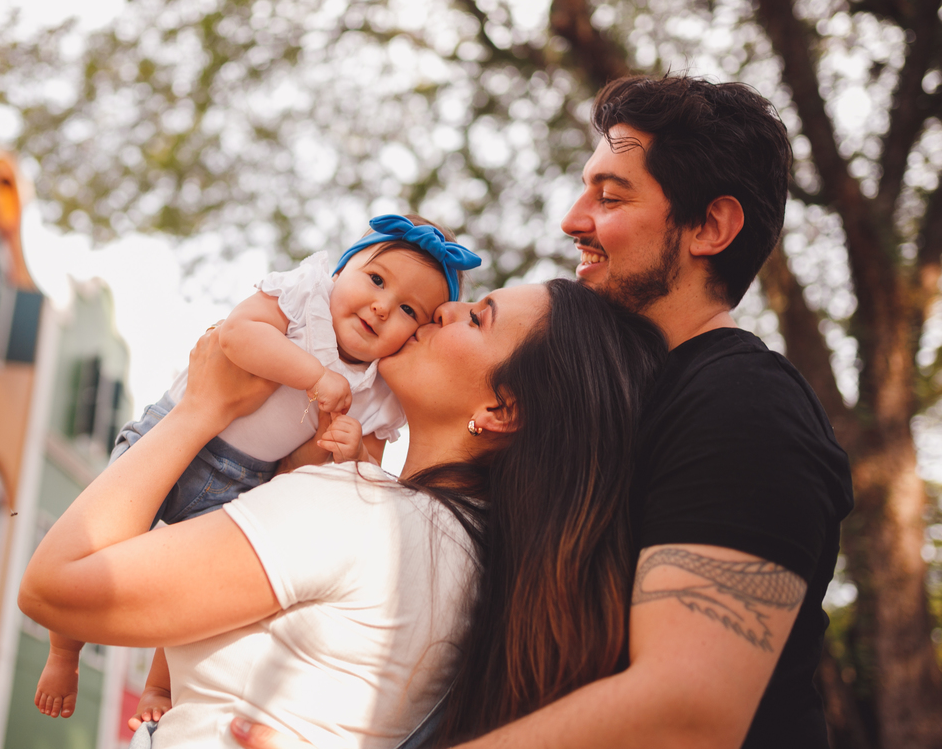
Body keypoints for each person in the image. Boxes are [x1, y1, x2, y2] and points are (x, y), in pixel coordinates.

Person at [229, 76, 854, 748]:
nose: (572, 219)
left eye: (610, 196)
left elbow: (687, 708)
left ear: (710, 227)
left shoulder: (744, 404)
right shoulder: (588, 412)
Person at [18, 277, 668, 749]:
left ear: (501, 410)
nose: (446, 308)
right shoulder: (476, 560)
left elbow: (54, 588)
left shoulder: (362, 513)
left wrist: (201, 409)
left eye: (478, 318)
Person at [34, 214, 481, 721]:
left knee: (191, 589)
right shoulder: (305, 296)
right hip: (171, 436)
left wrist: (353, 449)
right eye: (376, 279)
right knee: (101, 541)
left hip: (247, 481)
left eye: (407, 310)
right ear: (342, 269)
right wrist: (314, 375)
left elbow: (363, 480)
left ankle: (159, 687)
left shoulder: (380, 391)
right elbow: (237, 335)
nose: (382, 306)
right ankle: (64, 652)